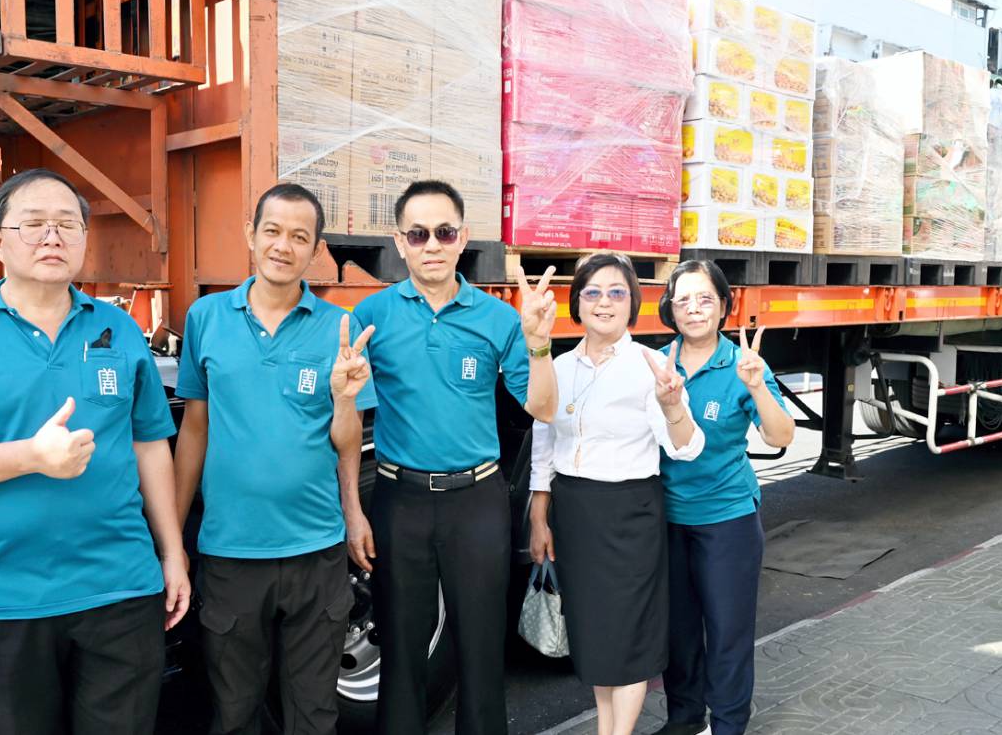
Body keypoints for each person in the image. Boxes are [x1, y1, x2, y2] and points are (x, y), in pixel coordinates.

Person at [0, 169, 187, 735]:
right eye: (33, 224)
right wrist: (30, 457)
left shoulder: (117, 329)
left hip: (120, 589)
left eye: (67, 225)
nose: (52, 237)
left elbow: (149, 444)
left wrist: (173, 552)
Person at [351, 180, 558, 735]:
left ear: (463, 238)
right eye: (418, 234)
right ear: (400, 243)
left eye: (444, 232)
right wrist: (352, 508)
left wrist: (539, 342)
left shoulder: (497, 318)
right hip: (400, 500)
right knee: (401, 649)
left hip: (477, 501)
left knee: (482, 648)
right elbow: (345, 416)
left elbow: (543, 407)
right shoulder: (372, 315)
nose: (432, 245)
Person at [171, 183, 366, 735]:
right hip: (231, 552)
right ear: (250, 235)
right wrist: (174, 537)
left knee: (314, 714)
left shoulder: (338, 328)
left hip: (316, 551)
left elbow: (346, 439)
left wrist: (354, 511)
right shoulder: (207, 317)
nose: (284, 246)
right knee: (234, 713)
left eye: (300, 237)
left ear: (316, 250)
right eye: (273, 231)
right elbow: (195, 429)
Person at [525, 253, 692, 735]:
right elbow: (543, 442)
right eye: (593, 292)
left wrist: (673, 406)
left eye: (617, 292)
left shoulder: (649, 366)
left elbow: (685, 447)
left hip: (630, 513)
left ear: (632, 303)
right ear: (576, 303)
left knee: (630, 637)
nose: (604, 302)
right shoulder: (558, 366)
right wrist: (539, 515)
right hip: (576, 514)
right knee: (596, 636)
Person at [654, 260, 789, 733]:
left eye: (705, 298)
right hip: (666, 517)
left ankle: (729, 724)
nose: (694, 309)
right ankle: (685, 719)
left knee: (727, 630)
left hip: (726, 518)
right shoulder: (656, 363)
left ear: (724, 305)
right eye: (683, 300)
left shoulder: (743, 365)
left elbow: (780, 435)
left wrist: (757, 387)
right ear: (670, 309)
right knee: (679, 630)